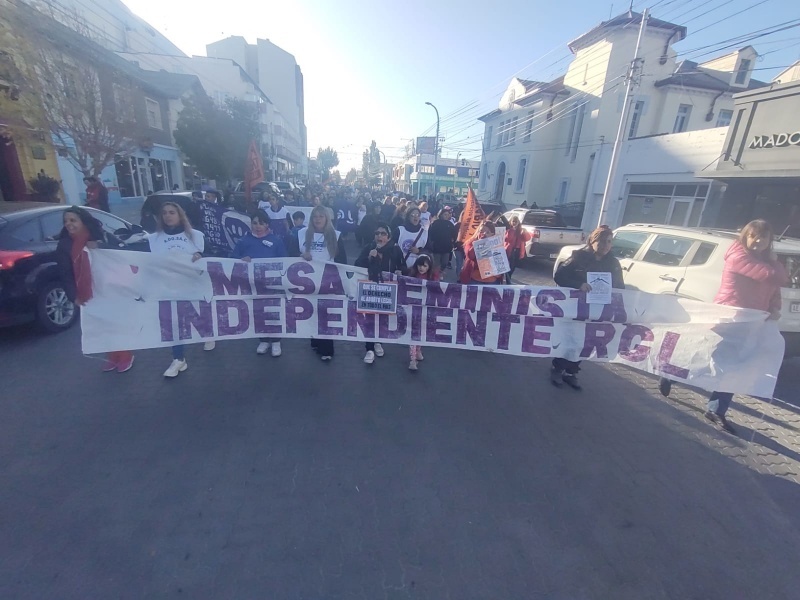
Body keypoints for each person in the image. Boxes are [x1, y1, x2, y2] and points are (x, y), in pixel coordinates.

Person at [681, 220, 785, 434]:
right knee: (709, 359)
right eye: (753, 236)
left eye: (763, 237)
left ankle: (716, 410)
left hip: (752, 323)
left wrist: (775, 307)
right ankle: (673, 374)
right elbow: (774, 276)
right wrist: (775, 263)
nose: (758, 241)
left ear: (769, 240)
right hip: (729, 319)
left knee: (735, 367)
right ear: (745, 237)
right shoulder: (738, 255)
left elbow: (775, 287)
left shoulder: (766, 262)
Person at [55, 207, 134, 373]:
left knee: (115, 321)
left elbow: (122, 252)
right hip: (88, 291)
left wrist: (100, 245)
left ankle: (125, 355)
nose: (69, 224)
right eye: (66, 221)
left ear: (83, 221)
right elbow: (64, 273)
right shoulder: (64, 245)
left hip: (110, 287)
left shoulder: (99, 236)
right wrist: (73, 295)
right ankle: (113, 355)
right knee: (101, 323)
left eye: (73, 220)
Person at [552, 226, 624, 390]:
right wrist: (579, 285)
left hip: (598, 309)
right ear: (593, 241)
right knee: (570, 338)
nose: (606, 245)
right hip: (576, 307)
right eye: (602, 241)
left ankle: (572, 372)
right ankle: (558, 368)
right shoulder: (578, 257)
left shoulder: (613, 263)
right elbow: (560, 275)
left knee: (586, 341)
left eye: (609, 242)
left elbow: (621, 286)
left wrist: (613, 293)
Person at [147, 201, 207, 376]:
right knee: (173, 322)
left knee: (195, 316)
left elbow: (212, 256)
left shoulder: (195, 236)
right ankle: (178, 359)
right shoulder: (153, 239)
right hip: (167, 288)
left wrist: (201, 254)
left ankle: (208, 332)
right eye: (164, 213)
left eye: (172, 212)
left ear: (180, 215)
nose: (167, 215)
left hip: (192, 286)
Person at [231, 210, 287, 357]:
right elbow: (232, 259)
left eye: (261, 223)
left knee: (273, 312)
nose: (258, 226)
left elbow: (285, 261)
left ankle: (276, 341)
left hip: (271, 284)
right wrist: (242, 259)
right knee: (258, 313)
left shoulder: (276, 241)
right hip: (252, 285)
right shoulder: (243, 241)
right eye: (254, 223)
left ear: (267, 224)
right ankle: (263, 339)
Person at [297, 205, 347, 361]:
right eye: (315, 216)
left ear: (327, 218)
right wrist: (300, 256)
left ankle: (327, 349)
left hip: (327, 282)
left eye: (321, 216)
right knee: (311, 313)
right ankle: (315, 340)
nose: (318, 219)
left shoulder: (336, 235)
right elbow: (290, 256)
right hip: (307, 282)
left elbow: (342, 261)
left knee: (325, 314)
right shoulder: (301, 234)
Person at [355, 222, 404, 364]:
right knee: (369, 319)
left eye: (383, 234)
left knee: (382, 319)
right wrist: (368, 258)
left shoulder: (395, 250)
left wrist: (400, 271)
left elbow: (403, 266)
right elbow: (357, 265)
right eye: (377, 233)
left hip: (387, 291)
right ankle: (369, 349)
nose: (379, 236)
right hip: (370, 289)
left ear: (388, 237)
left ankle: (378, 342)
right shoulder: (368, 248)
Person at [406, 254, 438, 371]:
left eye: (424, 266)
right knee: (414, 334)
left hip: (426, 310)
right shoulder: (411, 276)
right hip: (413, 310)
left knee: (422, 332)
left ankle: (418, 350)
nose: (421, 268)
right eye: (420, 265)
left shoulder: (433, 279)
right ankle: (412, 359)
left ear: (429, 267)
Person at [459, 220, 503, 285]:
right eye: (481, 231)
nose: (483, 234)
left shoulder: (497, 245)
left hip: (492, 281)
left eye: (487, 232)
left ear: (492, 234)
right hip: (475, 280)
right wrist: (481, 242)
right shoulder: (471, 243)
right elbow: (470, 255)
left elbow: (500, 263)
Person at [394, 207, 429, 273]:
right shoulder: (400, 230)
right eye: (412, 215)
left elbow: (429, 250)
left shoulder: (424, 232)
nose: (415, 217)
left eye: (417, 215)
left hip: (418, 270)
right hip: (400, 267)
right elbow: (392, 247)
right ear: (408, 217)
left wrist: (419, 251)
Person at [427, 206, 457, 280]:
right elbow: (430, 233)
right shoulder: (435, 223)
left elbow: (454, 234)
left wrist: (453, 242)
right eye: (445, 214)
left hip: (446, 247)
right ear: (440, 215)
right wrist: (431, 243)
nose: (446, 216)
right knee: (436, 263)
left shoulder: (450, 224)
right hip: (436, 246)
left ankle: (440, 272)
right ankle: (435, 276)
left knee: (445, 262)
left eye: (447, 214)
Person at [504, 214, 531, 284]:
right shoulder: (509, 229)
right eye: (513, 221)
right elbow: (507, 239)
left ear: (518, 222)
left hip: (518, 251)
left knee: (513, 267)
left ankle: (508, 277)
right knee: (510, 266)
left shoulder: (521, 230)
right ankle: (508, 279)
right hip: (510, 250)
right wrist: (512, 230)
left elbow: (527, 238)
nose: (514, 223)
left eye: (516, 222)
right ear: (511, 222)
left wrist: (525, 232)